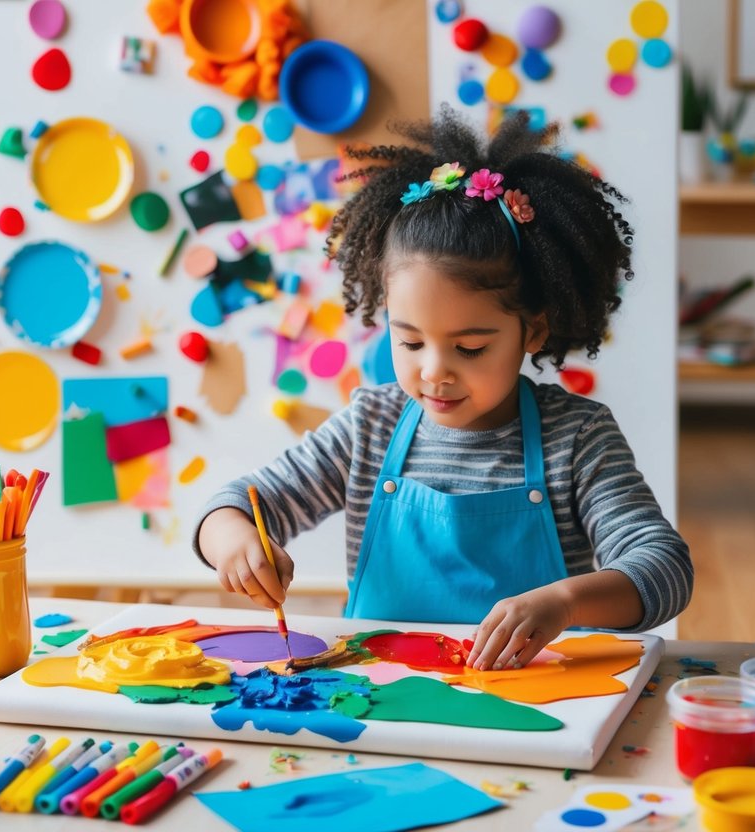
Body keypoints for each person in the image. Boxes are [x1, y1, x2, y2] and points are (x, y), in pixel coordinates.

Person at [194, 107, 692, 671]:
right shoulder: (371, 426)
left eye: (470, 347)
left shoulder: (577, 437)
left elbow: (664, 566)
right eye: (409, 343)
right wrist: (235, 542)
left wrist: (566, 601)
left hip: (531, 705)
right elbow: (240, 503)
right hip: (379, 697)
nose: (434, 371)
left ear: (532, 330)